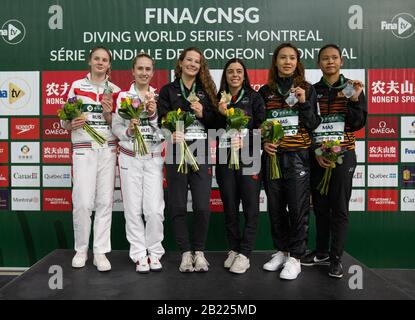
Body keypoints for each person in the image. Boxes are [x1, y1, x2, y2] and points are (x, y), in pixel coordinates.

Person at [301, 44, 367, 278]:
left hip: (344, 154)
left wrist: (353, 100)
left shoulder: (352, 88)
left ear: (341, 62)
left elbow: (358, 124)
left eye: (334, 58)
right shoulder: (312, 89)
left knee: (339, 207)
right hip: (318, 154)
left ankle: (336, 257)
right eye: (325, 58)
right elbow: (308, 124)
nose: (330, 61)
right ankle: (321, 252)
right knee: (319, 207)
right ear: (319, 63)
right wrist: (317, 151)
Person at [258, 43, 320, 280]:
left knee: (297, 208)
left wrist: (304, 102)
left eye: (292, 58)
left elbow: (313, 123)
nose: (287, 62)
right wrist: (264, 142)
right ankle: (282, 251)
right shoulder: (265, 91)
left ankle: (296, 257)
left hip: (297, 157)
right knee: (275, 208)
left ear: (297, 62)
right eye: (282, 57)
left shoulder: (307, 88)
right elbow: (261, 125)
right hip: (273, 157)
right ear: (275, 62)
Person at [157, 47, 217, 273]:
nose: (193, 64)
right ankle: (185, 253)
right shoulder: (168, 90)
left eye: (197, 62)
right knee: (178, 204)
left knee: (202, 205)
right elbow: (162, 122)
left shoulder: (206, 90)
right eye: (189, 60)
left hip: (200, 148)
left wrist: (203, 113)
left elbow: (216, 124)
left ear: (201, 67)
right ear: (180, 63)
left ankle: (199, 252)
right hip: (175, 149)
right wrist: (170, 132)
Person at [62, 46, 120, 272]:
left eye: (104, 60)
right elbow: (65, 120)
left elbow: (119, 125)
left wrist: (109, 116)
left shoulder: (115, 90)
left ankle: (100, 252)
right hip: (84, 149)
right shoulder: (77, 86)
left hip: (107, 149)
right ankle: (81, 249)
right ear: (90, 61)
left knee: (105, 202)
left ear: (109, 65)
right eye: (97, 58)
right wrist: (70, 124)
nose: (100, 62)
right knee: (83, 202)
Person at [112, 53, 165, 273]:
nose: (144, 73)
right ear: (132, 71)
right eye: (140, 68)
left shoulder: (159, 97)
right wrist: (128, 131)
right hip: (129, 159)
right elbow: (115, 127)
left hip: (152, 159)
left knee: (154, 210)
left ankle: (155, 252)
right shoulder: (123, 96)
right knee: (133, 209)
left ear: (153, 73)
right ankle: (139, 254)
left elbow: (166, 132)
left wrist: (153, 117)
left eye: (148, 69)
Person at [215, 58, 265, 274]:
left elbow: (263, 127)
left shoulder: (255, 97)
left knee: (251, 208)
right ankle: (234, 249)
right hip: (225, 158)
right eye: (230, 72)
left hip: (250, 157)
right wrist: (219, 113)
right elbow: (210, 127)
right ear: (225, 76)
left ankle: (245, 253)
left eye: (239, 71)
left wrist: (248, 140)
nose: (234, 75)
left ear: (244, 75)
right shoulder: (218, 99)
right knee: (230, 206)